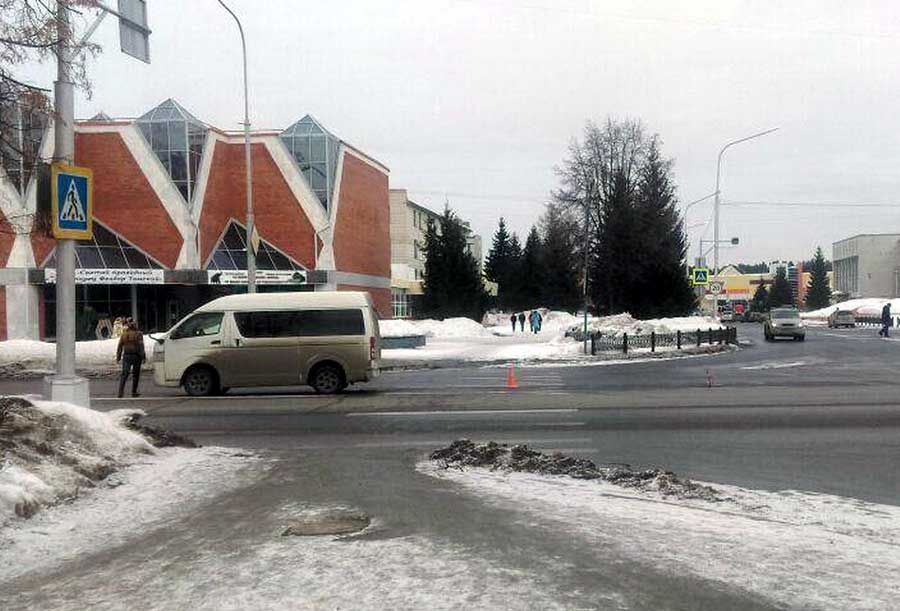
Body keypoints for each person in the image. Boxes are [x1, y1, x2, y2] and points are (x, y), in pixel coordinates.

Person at [116, 318, 146, 398]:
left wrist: (118, 357)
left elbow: (119, 346)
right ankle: (134, 392)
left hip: (126, 356)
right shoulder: (138, 334)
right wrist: (143, 356)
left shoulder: (124, 334)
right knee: (136, 375)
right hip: (136, 356)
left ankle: (120, 392)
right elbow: (141, 346)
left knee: (124, 374)